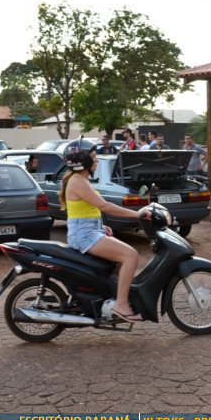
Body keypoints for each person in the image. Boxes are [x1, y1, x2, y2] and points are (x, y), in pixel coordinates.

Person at [60, 138, 149, 323]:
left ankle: (110, 298)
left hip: (88, 231)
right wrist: (137, 215)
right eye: (93, 157)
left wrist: (101, 226)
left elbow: (84, 210)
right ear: (83, 161)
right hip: (84, 235)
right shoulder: (78, 181)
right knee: (130, 256)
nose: (97, 160)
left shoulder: (80, 180)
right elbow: (104, 206)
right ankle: (121, 305)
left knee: (117, 261)